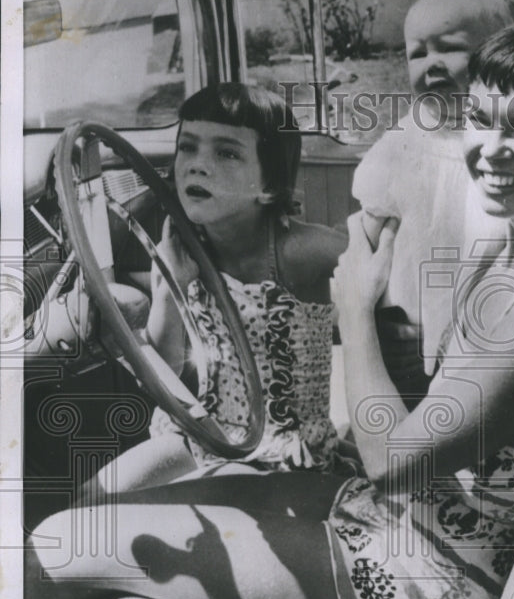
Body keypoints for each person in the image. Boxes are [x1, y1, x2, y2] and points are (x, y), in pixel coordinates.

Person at [27, 19, 514, 599]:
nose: (490, 149)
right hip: (406, 514)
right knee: (104, 514)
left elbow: (395, 465)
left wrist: (352, 306)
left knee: (66, 545)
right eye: (480, 119)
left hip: (427, 579)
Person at [88, 83, 349, 496]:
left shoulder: (300, 251)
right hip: (202, 431)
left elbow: (373, 262)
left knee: (176, 510)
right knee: (93, 500)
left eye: (225, 153)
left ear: (268, 187)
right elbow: (166, 369)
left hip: (285, 450)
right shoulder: (176, 251)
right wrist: (172, 286)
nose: (197, 165)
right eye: (187, 148)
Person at [352, 0, 512, 398]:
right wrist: (378, 322)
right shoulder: (401, 148)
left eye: (449, 48)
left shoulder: (511, 149)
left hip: (493, 341)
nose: (432, 63)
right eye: (417, 53)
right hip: (410, 338)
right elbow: (363, 246)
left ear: (502, 55)